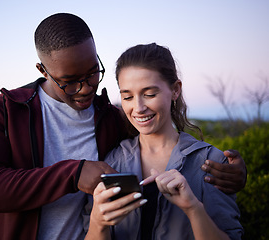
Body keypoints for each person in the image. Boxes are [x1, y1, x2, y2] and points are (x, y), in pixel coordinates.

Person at [0, 13, 245, 239]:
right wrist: (73, 174)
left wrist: (232, 170)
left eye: (93, 73)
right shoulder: (7, 111)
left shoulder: (110, 118)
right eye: (71, 81)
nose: (86, 88)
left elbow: (164, 142)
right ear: (43, 70)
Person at [86, 43, 243, 239]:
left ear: (175, 90)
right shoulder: (113, 161)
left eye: (150, 94)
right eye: (127, 97)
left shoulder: (210, 162)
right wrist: (98, 222)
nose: (138, 107)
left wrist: (193, 208)